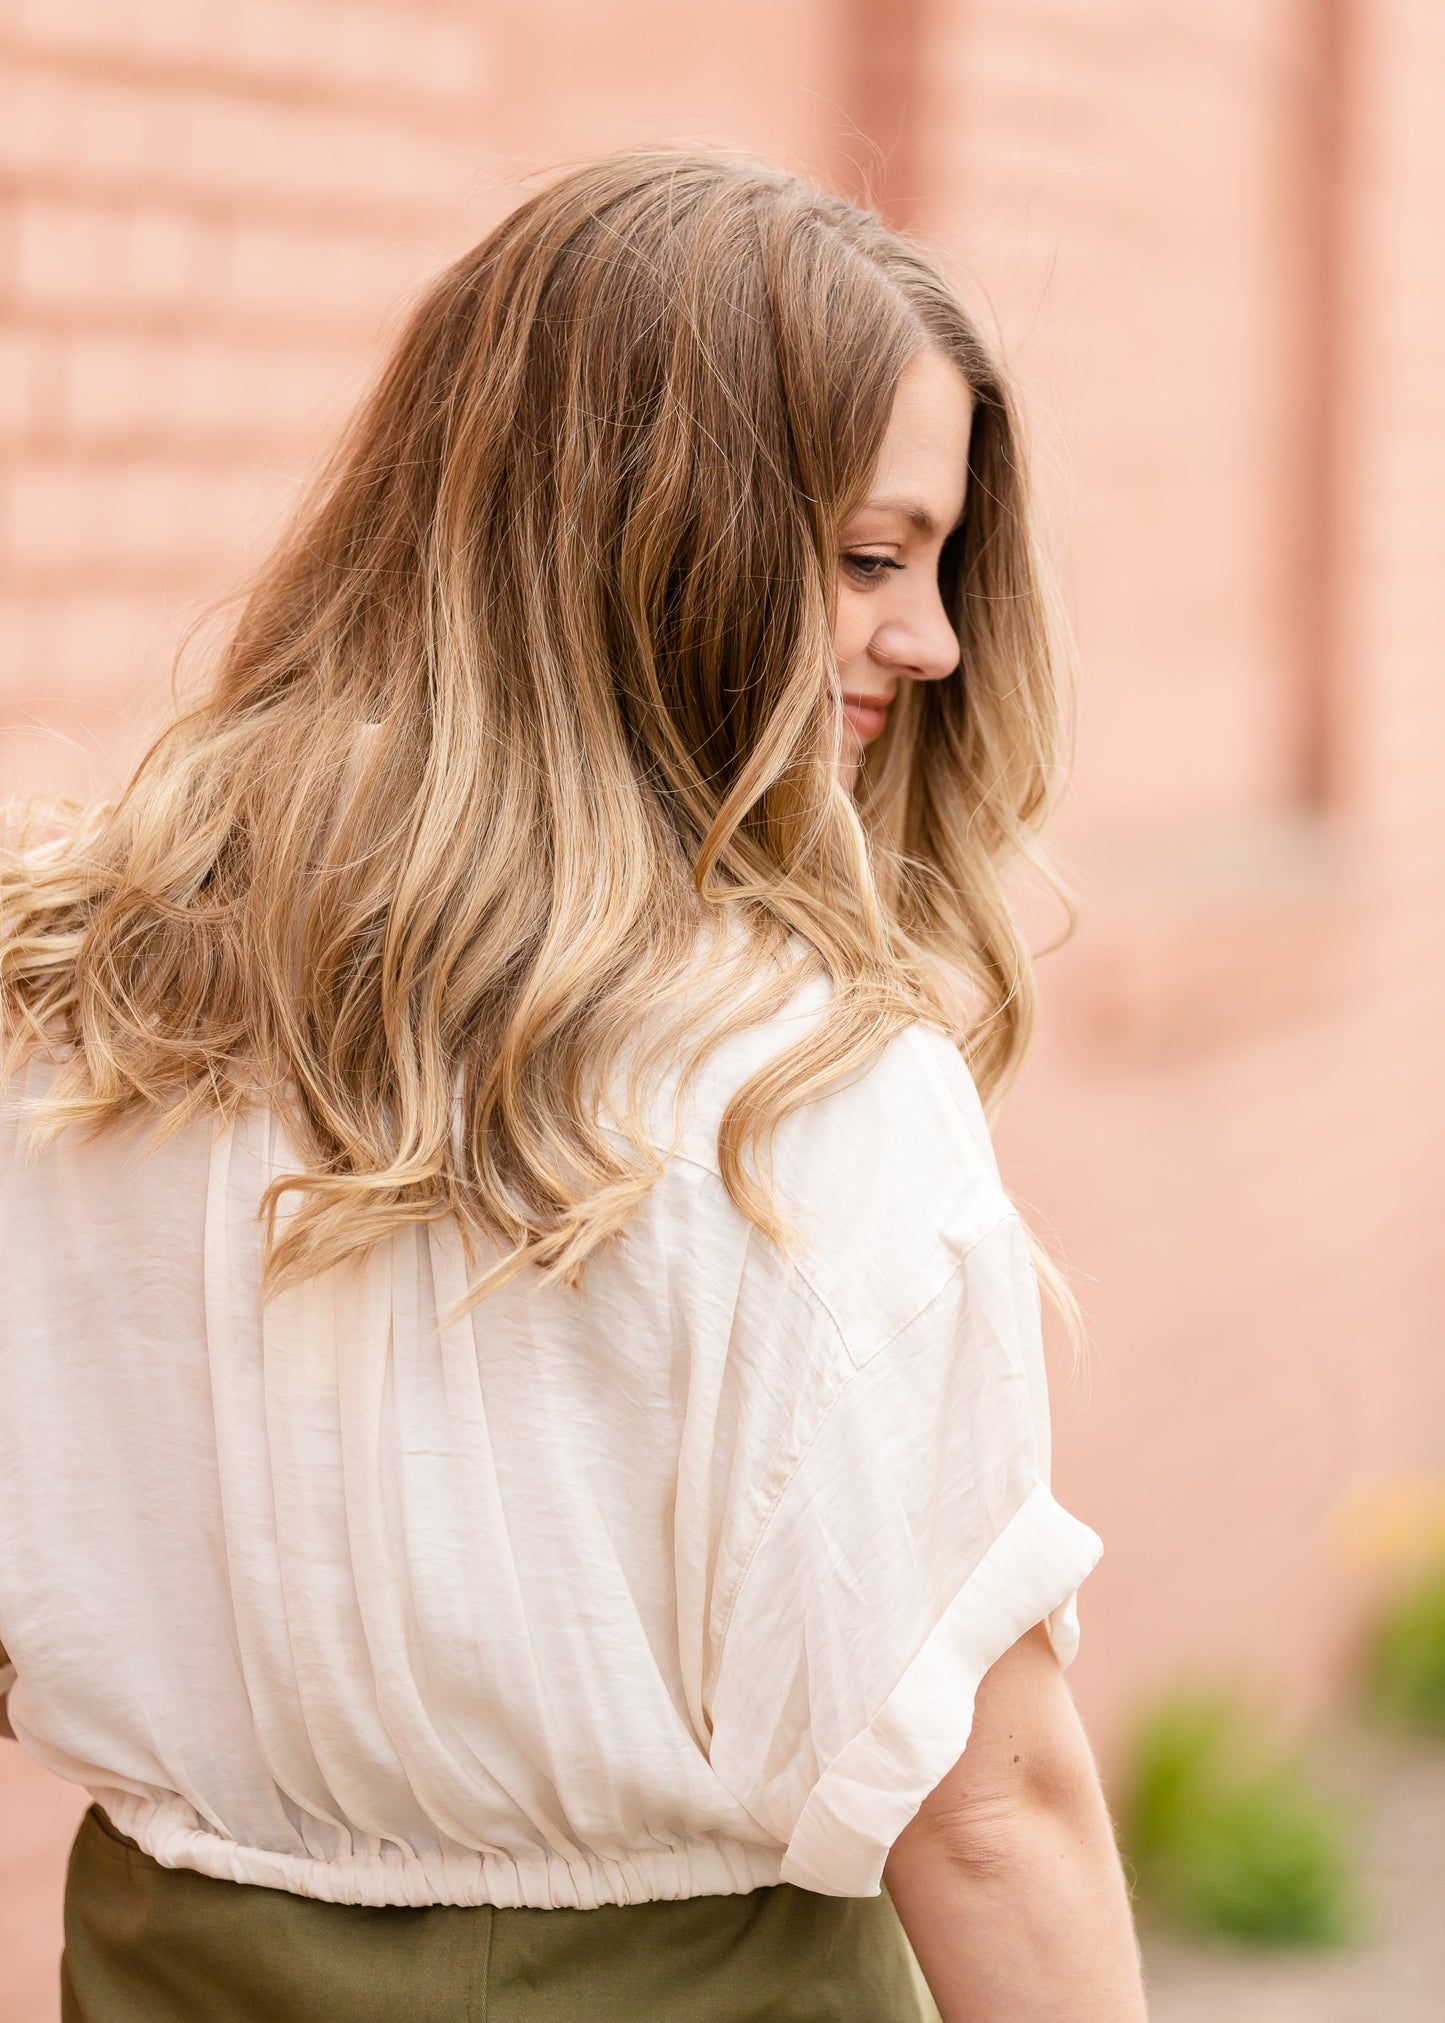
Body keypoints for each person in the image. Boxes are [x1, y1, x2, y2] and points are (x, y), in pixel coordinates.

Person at [0, 149, 1147, 2021]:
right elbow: (991, 1804)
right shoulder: (798, 1087)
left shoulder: (77, 1007)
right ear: (652, 541)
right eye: (870, 558)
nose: (930, 640)